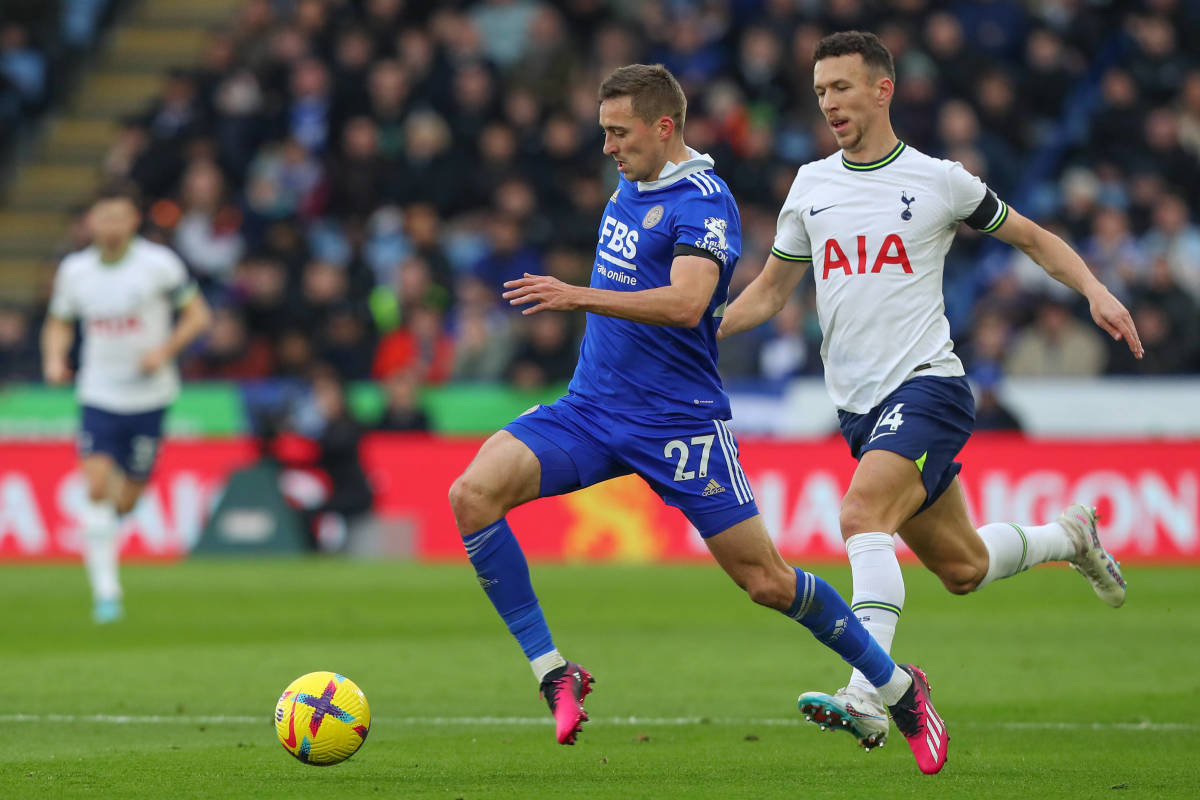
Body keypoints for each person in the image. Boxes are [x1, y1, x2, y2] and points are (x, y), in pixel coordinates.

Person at [448, 64, 948, 774]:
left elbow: (688, 304)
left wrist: (575, 296)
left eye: (619, 133)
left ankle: (899, 689)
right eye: (603, 133)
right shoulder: (631, 180)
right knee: (471, 495)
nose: (608, 148)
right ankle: (556, 672)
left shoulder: (705, 202)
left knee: (768, 583)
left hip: (678, 426)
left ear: (664, 127)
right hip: (592, 408)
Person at [717, 31, 1141, 752]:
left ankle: (870, 694)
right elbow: (768, 292)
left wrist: (1096, 288)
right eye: (821, 92)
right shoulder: (811, 187)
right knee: (963, 566)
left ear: (883, 89)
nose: (829, 104)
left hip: (928, 389)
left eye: (842, 88)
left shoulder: (940, 181)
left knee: (859, 516)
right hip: (859, 409)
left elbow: (1034, 239)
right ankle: (1069, 535)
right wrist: (696, 331)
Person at [41, 186, 212, 623]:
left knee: (127, 500)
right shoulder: (75, 271)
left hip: (150, 396)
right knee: (96, 486)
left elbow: (198, 315)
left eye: (119, 217)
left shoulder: (158, 264)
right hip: (99, 393)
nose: (111, 225)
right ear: (90, 223)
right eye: (103, 217)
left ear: (134, 220)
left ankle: (109, 538)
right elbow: (58, 323)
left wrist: (165, 351)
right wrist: (55, 359)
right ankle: (107, 592)